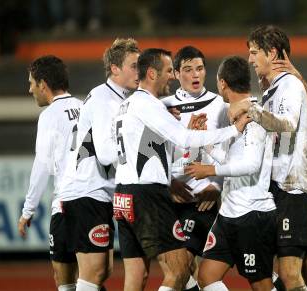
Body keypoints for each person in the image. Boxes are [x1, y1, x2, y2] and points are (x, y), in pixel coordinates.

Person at [112, 48, 251, 291]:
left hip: (127, 193)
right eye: (172, 71)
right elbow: (183, 137)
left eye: (199, 68)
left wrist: (215, 184)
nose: (173, 77)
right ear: (155, 74)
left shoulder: (129, 105)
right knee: (179, 270)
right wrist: (234, 129)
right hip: (151, 195)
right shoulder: (154, 105)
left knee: (139, 274)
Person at [184, 55, 277, 291]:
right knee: (207, 277)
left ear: (223, 83)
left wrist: (209, 170)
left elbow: (251, 164)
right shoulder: (236, 115)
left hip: (252, 214)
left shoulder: (255, 115)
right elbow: (232, 159)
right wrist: (205, 143)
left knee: (262, 285)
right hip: (229, 214)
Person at [58, 38, 140, 291]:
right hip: (87, 190)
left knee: (102, 271)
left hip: (97, 191)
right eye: (134, 65)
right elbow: (105, 153)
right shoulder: (106, 100)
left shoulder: (120, 98)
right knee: (93, 273)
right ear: (115, 69)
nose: (140, 71)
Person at [245, 25, 307, 291]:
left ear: (272, 52)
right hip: (282, 186)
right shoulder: (275, 88)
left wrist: (253, 112)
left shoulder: (288, 84)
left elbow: (287, 124)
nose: (250, 59)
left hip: (293, 188)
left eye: (254, 53)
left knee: (289, 274)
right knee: (300, 274)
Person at [161, 45, 228, 291]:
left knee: (183, 264)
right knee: (187, 272)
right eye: (188, 70)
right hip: (171, 199)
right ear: (176, 73)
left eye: (199, 68)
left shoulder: (219, 104)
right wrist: (168, 182)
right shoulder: (163, 106)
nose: (195, 75)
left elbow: (230, 150)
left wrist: (216, 185)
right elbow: (151, 153)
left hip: (202, 198)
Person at [18, 55, 82, 291]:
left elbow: (42, 165)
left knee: (64, 278)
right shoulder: (84, 106)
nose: (30, 89)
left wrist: (28, 210)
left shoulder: (49, 116)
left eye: (32, 83)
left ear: (43, 84)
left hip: (66, 203)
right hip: (95, 203)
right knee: (91, 276)